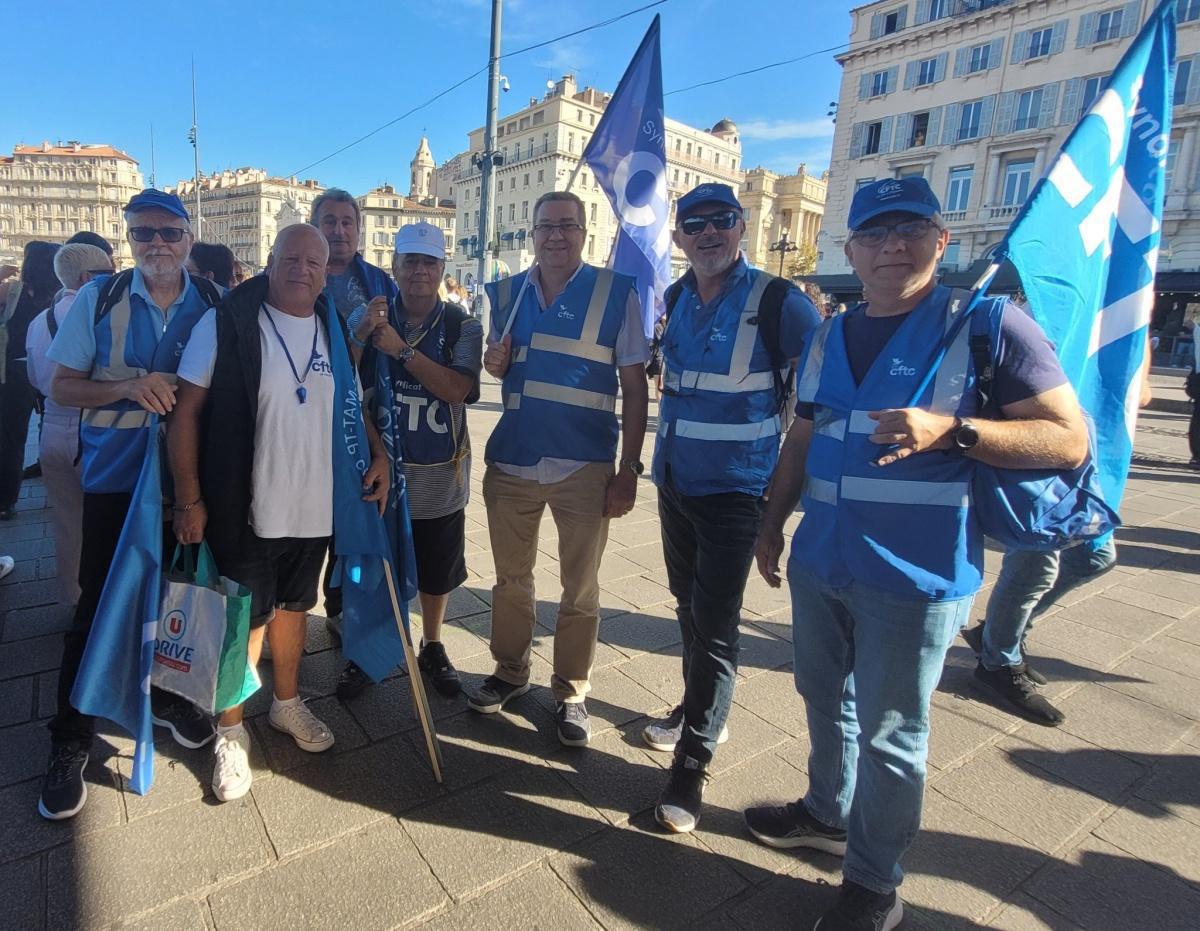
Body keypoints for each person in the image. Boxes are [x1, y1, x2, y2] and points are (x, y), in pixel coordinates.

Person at [744, 178, 1088, 930]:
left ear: (941, 238)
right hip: (821, 560)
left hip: (915, 576)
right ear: (851, 250)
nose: (893, 246)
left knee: (892, 732)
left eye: (911, 230)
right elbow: (804, 433)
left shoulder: (988, 324)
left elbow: (1069, 437)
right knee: (821, 698)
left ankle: (874, 882)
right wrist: (771, 526)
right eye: (875, 233)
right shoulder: (829, 333)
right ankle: (826, 811)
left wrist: (955, 431)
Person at [168, 223, 390, 801]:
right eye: (289, 258)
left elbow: (348, 401)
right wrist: (188, 499)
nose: (302, 269)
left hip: (315, 506)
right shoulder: (228, 322)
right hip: (246, 506)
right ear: (269, 261)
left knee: (295, 609)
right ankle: (230, 730)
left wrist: (379, 452)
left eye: (313, 262)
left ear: (325, 271)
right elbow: (185, 412)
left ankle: (286, 705)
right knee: (243, 621)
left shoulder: (332, 327)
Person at [640, 184, 822, 834]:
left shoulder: (781, 303)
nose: (709, 233)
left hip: (737, 495)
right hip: (676, 486)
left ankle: (693, 763)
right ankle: (694, 706)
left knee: (716, 625)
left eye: (721, 221)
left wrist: (784, 503)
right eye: (696, 224)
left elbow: (817, 404)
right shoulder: (678, 297)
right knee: (688, 609)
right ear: (680, 236)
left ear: (742, 227)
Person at [38, 189, 222, 821]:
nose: (158, 246)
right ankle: (69, 739)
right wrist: (128, 386)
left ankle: (166, 700)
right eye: (143, 235)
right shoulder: (101, 297)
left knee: (176, 599)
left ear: (189, 238)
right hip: (115, 482)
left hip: (186, 483)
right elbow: (61, 386)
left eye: (169, 233)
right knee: (95, 607)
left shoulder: (214, 304)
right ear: (129, 240)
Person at [470, 190, 649, 747]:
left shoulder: (616, 294)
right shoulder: (506, 293)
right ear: (531, 233)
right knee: (511, 582)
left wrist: (629, 469)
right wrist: (493, 363)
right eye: (545, 226)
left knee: (581, 589)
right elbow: (507, 369)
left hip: (586, 466)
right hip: (515, 460)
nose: (555, 236)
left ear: (584, 232)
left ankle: (572, 689)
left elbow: (636, 386)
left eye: (567, 226)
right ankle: (510, 671)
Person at [963, 333, 1156, 725]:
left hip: (1092, 452)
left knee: (1096, 557)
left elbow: (1144, 393)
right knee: (1036, 567)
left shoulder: (1126, 309)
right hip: (1046, 466)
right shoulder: (1050, 313)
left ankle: (1000, 635)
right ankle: (999, 659)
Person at [339, 221, 483, 699]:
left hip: (439, 474)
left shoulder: (463, 324)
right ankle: (371, 648)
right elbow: (343, 380)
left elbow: (457, 389)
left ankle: (433, 642)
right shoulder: (371, 313)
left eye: (429, 262)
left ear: (442, 268)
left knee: (437, 570)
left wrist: (400, 351)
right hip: (382, 470)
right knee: (376, 564)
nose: (420, 270)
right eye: (410, 261)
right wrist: (363, 334)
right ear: (395, 267)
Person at [309, 189, 398, 642]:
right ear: (314, 227)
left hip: (363, 419)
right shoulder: (298, 277)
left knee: (357, 511)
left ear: (358, 230)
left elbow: (400, 348)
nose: (339, 231)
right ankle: (290, 607)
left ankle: (343, 606)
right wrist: (358, 332)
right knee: (309, 518)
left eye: (347, 222)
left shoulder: (380, 282)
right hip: (306, 421)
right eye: (329, 221)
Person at [24, 242, 114, 605]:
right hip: (93, 429)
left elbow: (33, 377)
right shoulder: (100, 314)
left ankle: (75, 601)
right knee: (105, 522)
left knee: (66, 522)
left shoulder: (37, 321)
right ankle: (105, 604)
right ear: (88, 278)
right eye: (109, 274)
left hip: (51, 430)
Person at [0, 241, 59, 520]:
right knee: (51, 420)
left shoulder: (13, 291)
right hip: (50, 366)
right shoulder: (58, 295)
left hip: (15, 370)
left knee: (12, 436)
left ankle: (5, 500)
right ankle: (53, 475)